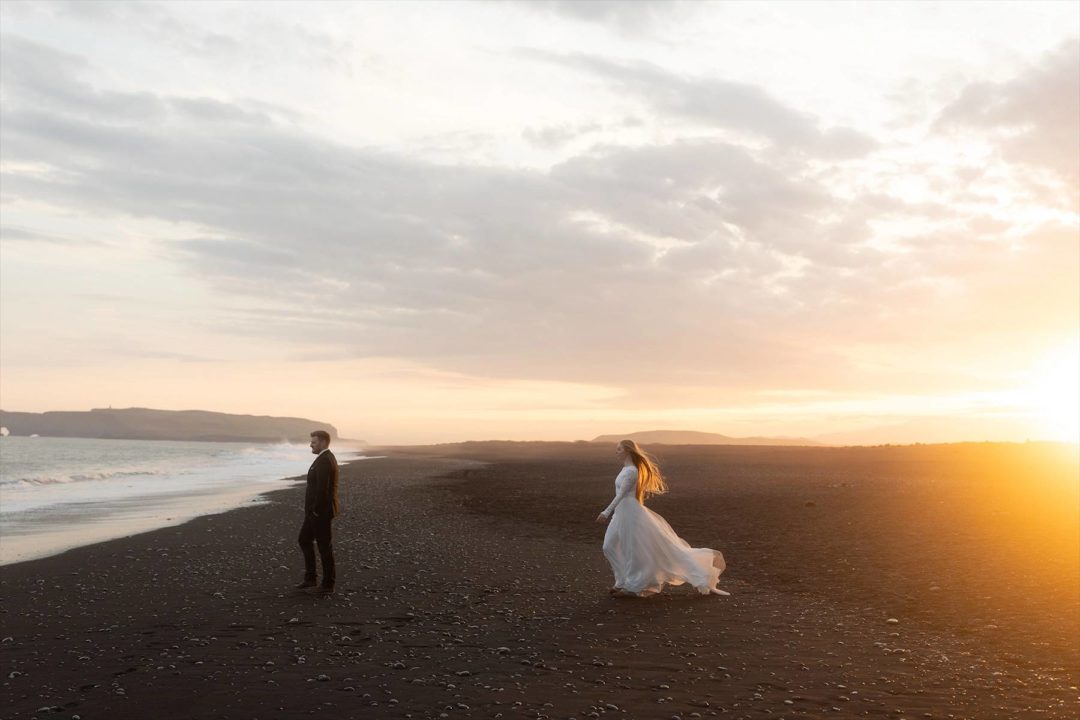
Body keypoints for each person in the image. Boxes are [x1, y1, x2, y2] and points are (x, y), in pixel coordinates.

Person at [596, 439, 729, 597]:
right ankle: (622, 580)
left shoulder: (632, 471)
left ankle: (632, 586)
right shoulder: (625, 469)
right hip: (621, 513)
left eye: (619, 449)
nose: (616, 452)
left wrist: (606, 512)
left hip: (630, 513)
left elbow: (621, 495)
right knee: (608, 546)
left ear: (628, 451)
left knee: (632, 549)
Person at [296, 430, 339, 593]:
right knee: (304, 540)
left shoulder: (325, 461)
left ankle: (328, 584)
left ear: (322, 442)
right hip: (315, 512)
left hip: (320, 512)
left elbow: (323, 489)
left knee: (324, 547)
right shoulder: (323, 458)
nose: (310, 445)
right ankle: (310, 578)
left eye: (313, 442)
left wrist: (315, 511)